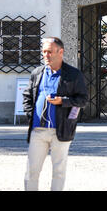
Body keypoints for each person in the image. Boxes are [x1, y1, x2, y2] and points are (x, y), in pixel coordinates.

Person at [23, 37, 87, 191]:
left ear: (61, 52)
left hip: (61, 129)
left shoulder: (73, 74)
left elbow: (83, 99)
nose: (46, 55)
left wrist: (63, 102)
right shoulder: (37, 73)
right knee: (31, 171)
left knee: (58, 171)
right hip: (38, 130)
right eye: (44, 52)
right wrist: (32, 116)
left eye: (50, 52)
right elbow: (27, 97)